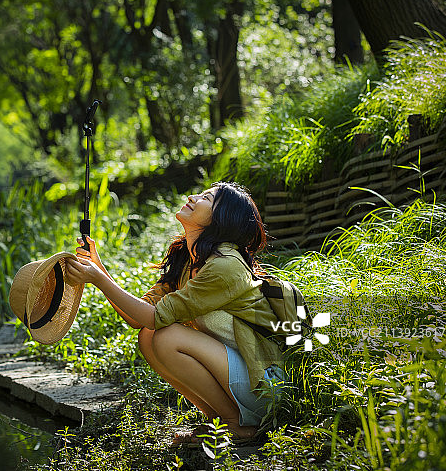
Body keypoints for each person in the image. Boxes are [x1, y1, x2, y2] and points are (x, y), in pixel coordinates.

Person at [64, 181, 286, 443]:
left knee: (166, 336)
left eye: (206, 198)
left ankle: (235, 425)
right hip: (237, 373)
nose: (192, 197)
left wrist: (99, 280)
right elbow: (139, 319)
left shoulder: (225, 267)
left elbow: (153, 317)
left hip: (265, 384)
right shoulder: (189, 259)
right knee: (148, 336)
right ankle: (216, 422)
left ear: (222, 218)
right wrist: (98, 269)